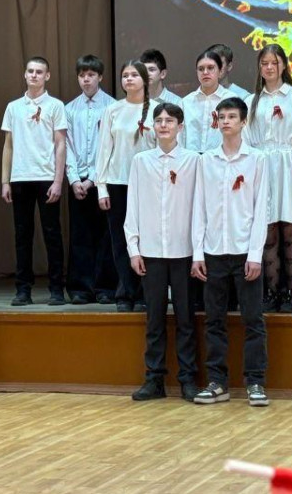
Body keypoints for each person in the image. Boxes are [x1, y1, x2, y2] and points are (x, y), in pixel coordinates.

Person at [191, 97, 270, 407]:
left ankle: (255, 382)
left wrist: (255, 254)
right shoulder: (206, 160)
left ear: (243, 122)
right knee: (214, 320)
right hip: (214, 251)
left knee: (252, 319)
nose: (225, 121)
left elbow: (261, 209)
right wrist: (198, 252)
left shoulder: (257, 159)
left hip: (244, 251)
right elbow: (199, 207)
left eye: (232, 116)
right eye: (221, 116)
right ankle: (217, 382)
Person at [125, 103, 200, 402]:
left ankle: (188, 379)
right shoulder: (141, 161)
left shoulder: (193, 161)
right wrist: (134, 248)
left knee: (186, 318)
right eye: (159, 121)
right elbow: (132, 206)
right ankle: (154, 379)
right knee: (154, 318)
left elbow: (200, 208)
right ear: (152, 127)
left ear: (181, 127)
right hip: (152, 250)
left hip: (184, 251)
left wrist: (199, 252)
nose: (164, 125)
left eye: (170, 120)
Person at [244, 45, 292, 313]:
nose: (269, 67)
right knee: (268, 233)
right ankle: (271, 291)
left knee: (291, 233)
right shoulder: (253, 100)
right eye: (264, 63)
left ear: (283, 65)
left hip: (289, 167)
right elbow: (247, 141)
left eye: (274, 62)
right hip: (264, 168)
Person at [0, 57, 68, 306]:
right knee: (22, 235)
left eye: (39, 72)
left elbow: (60, 144)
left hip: (46, 177)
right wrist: (5, 180)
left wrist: (58, 180)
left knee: (52, 234)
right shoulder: (13, 107)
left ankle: (57, 289)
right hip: (20, 177)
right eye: (30, 71)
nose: (34, 75)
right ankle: (23, 290)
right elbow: (8, 145)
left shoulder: (55, 106)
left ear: (47, 76)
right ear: (25, 74)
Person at [96, 60, 158, 312]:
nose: (129, 79)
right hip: (117, 182)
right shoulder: (113, 110)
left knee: (146, 239)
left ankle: (144, 293)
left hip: (149, 185)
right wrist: (101, 187)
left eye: (134, 75)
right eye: (125, 75)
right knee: (120, 240)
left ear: (145, 79)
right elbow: (103, 151)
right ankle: (125, 292)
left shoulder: (157, 109)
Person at [64, 55, 117, 305]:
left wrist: (94, 180)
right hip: (78, 180)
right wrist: (75, 179)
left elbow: (111, 148)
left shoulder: (112, 107)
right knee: (80, 235)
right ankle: (80, 288)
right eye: (82, 75)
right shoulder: (69, 109)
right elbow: (67, 146)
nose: (86, 79)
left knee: (105, 236)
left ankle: (105, 287)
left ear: (100, 77)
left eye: (91, 75)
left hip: (103, 179)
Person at [181, 50, 235, 154]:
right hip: (192, 158)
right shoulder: (186, 102)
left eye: (210, 68)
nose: (205, 72)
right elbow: (180, 136)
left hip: (221, 158)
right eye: (201, 69)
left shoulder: (232, 100)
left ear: (220, 71)